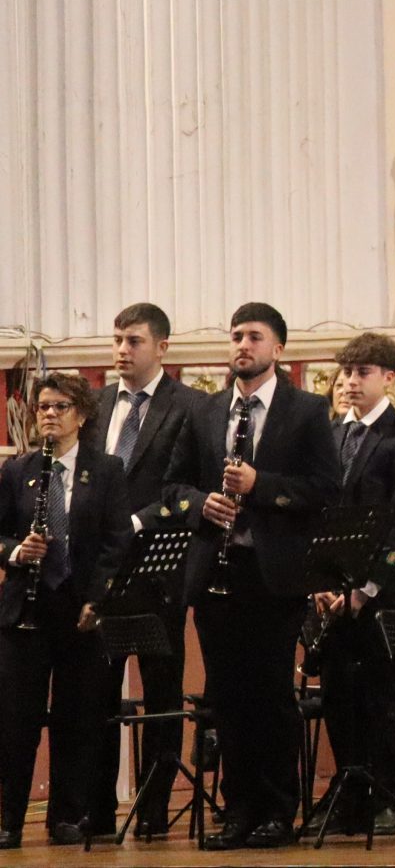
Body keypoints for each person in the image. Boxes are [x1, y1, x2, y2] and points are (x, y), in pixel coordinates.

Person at [182, 302, 336, 851]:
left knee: (271, 696)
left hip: (274, 576)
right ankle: (238, 810)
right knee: (228, 698)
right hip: (216, 572)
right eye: (236, 336)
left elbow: (326, 488)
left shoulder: (307, 410)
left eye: (253, 336)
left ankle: (277, 810)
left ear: (278, 348)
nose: (242, 345)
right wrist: (201, 503)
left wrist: (260, 485)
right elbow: (174, 486)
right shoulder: (205, 410)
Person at [81, 301, 206, 839]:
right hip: (102, 570)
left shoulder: (190, 406)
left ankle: (155, 808)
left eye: (133, 341)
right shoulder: (97, 404)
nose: (121, 351)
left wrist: (134, 521)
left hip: (160, 567)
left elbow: (189, 486)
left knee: (161, 692)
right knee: (97, 692)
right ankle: (97, 810)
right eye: (116, 341)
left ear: (162, 346)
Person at [0, 372, 132, 848]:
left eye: (60, 407)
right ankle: (9, 820)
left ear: (81, 415)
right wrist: (18, 551)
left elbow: (117, 542)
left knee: (77, 718)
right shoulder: (18, 470)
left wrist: (97, 599)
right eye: (43, 407)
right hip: (26, 610)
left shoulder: (107, 469)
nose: (50, 415)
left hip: (80, 609)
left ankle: (67, 817)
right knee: (16, 719)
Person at [311, 332, 395, 835]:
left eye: (363, 373)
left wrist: (366, 588)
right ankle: (349, 791)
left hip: (378, 592)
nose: (351, 382)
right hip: (331, 591)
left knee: (380, 694)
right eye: (347, 372)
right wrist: (320, 582)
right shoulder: (332, 433)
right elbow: (318, 511)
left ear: (389, 378)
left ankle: (385, 794)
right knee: (337, 693)